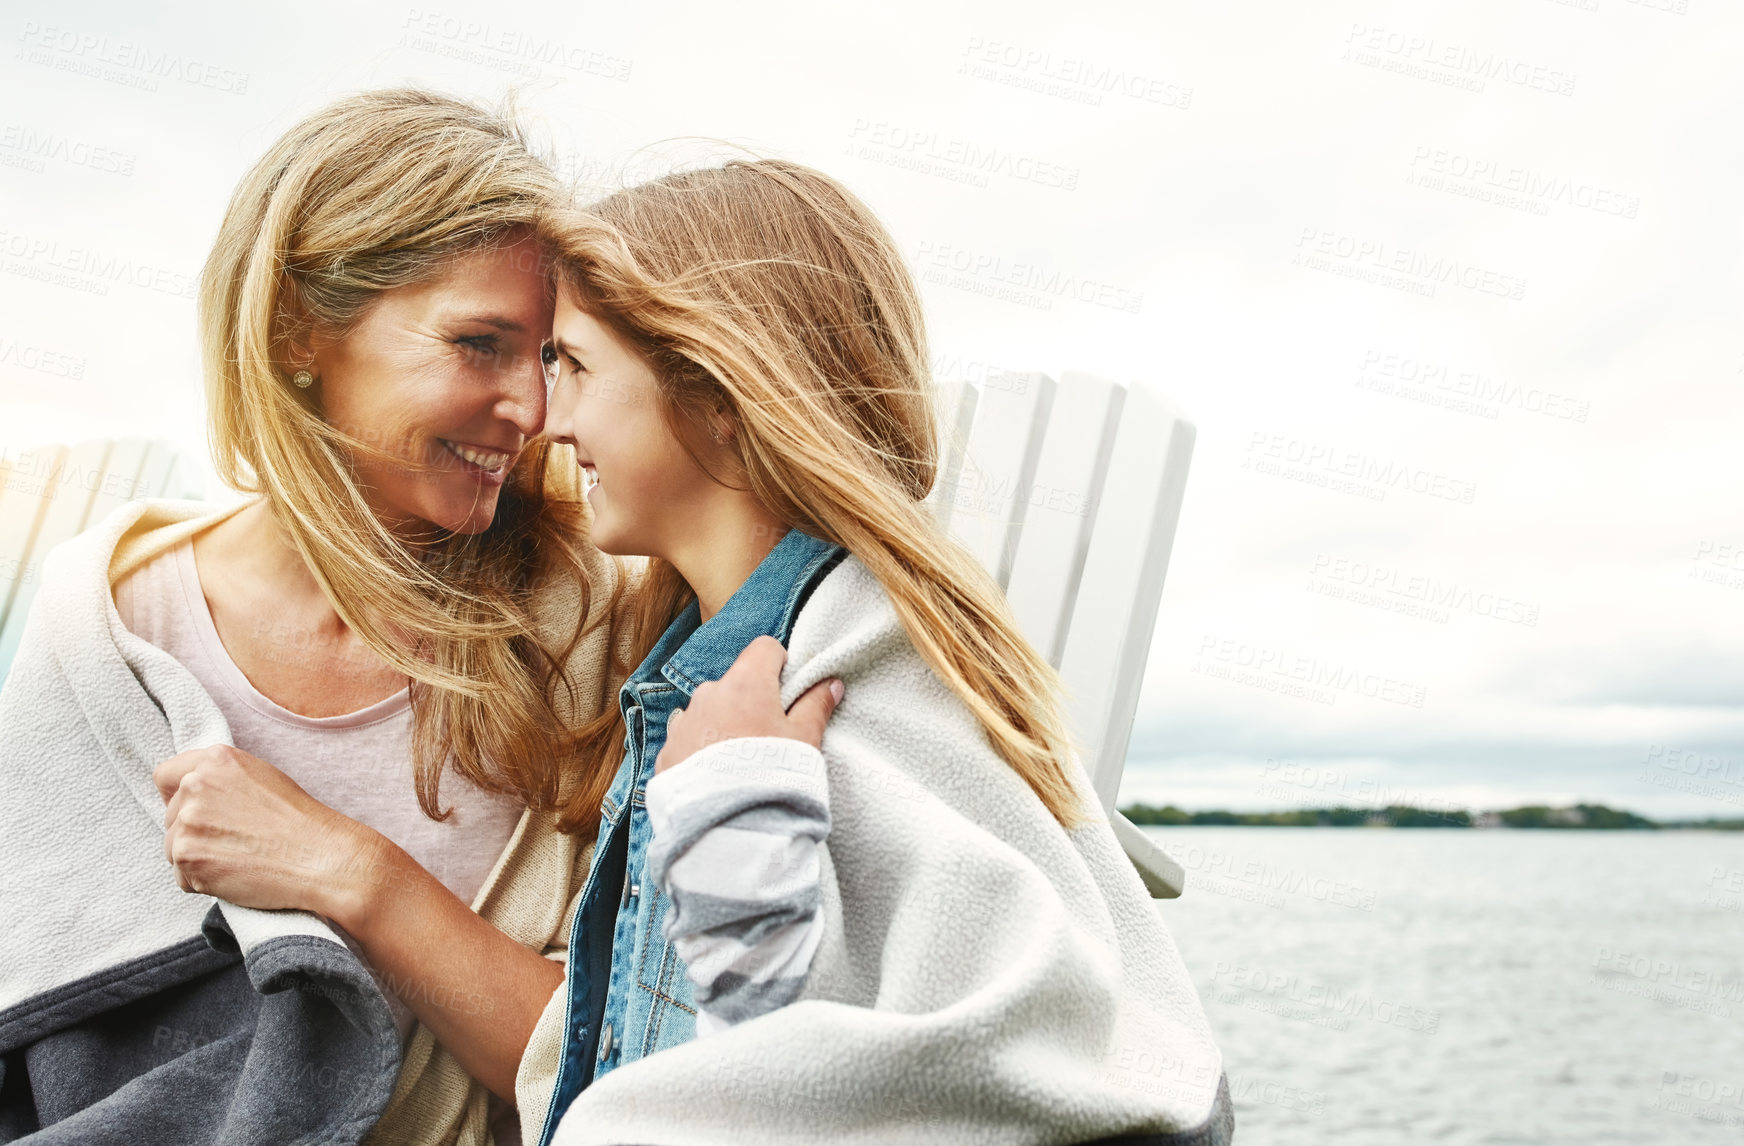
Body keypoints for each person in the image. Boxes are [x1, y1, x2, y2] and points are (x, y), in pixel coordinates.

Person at [520, 159, 1231, 1145]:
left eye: (576, 366)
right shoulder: (722, 663)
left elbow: (1014, 1052)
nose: (549, 419)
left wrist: (733, 822)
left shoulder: (847, 675)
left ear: (716, 391)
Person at [0, 89, 622, 1146]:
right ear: (296, 326)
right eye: (481, 345)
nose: (535, 409)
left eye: (552, 357)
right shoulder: (106, 636)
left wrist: (352, 870)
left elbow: (613, 1071)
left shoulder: (588, 635)